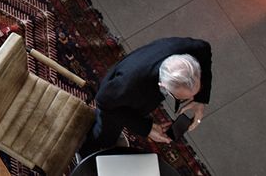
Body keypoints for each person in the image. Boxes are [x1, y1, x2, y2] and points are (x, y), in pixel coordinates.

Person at [79, 37, 212, 157]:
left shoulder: (191, 49)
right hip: (113, 98)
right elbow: (104, 102)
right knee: (104, 133)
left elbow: (206, 49)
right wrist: (146, 128)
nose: (189, 100)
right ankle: (85, 153)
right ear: (163, 86)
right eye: (180, 98)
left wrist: (200, 99)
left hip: (136, 86)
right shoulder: (130, 84)